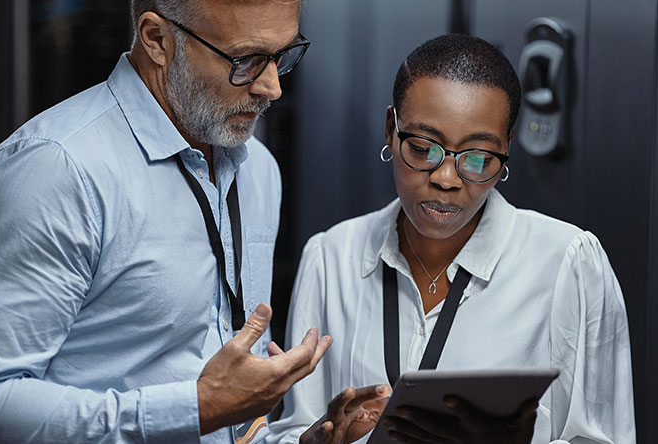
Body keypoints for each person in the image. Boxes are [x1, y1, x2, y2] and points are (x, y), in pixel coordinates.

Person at [0, 0, 331, 442]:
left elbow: (232, 406)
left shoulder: (259, 169)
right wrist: (195, 408)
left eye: (283, 55)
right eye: (247, 60)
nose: (272, 88)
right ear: (156, 38)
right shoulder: (58, 169)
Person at [267, 34, 636, 444]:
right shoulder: (332, 257)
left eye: (478, 158)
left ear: (507, 149)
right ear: (392, 129)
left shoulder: (568, 264)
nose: (446, 179)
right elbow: (296, 427)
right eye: (424, 149)